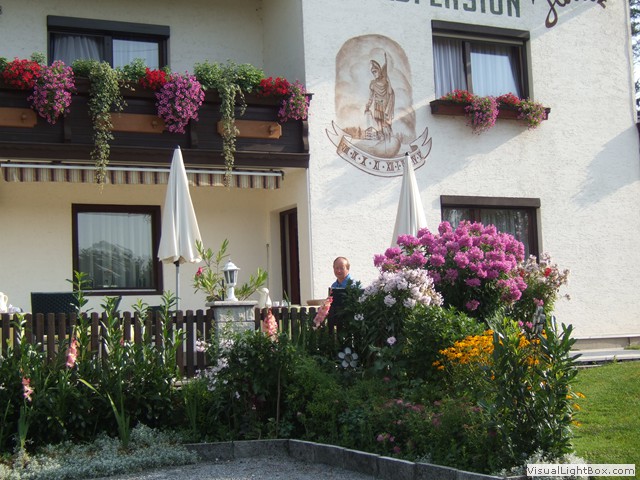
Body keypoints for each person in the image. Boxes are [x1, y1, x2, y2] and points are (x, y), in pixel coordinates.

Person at [364, 53, 395, 141]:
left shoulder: (385, 80)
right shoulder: (373, 83)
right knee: (378, 121)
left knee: (386, 123)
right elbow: (371, 96)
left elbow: (390, 92)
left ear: (379, 70)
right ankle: (381, 136)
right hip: (377, 104)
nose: (374, 74)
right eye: (373, 72)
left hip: (385, 105)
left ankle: (390, 138)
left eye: (375, 71)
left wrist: (389, 83)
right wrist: (368, 105)